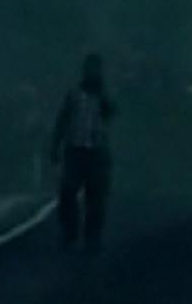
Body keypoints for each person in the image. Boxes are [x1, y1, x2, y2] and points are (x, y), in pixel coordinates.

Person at [50, 53, 115, 254]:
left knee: (96, 197)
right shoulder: (74, 94)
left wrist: (102, 94)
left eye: (95, 69)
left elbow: (111, 113)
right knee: (68, 193)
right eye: (89, 69)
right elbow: (63, 119)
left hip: (97, 152)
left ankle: (92, 237)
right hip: (75, 150)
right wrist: (55, 145)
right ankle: (70, 232)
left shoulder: (104, 95)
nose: (92, 73)